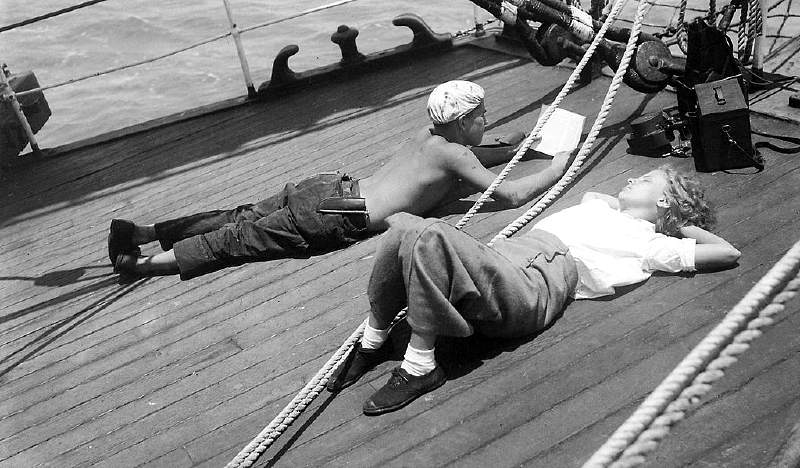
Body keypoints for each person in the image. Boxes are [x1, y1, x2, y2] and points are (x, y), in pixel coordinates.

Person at [326, 165, 741, 416]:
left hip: (536, 278)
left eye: (648, 179)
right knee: (402, 225)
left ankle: (420, 367)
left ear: (666, 202)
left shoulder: (650, 242)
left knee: (430, 234)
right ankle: (374, 340)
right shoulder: (602, 208)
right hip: (508, 260)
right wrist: (642, 200)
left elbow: (726, 252)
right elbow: (597, 196)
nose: (633, 176)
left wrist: (679, 218)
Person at [108, 80, 575, 280]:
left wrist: (521, 139)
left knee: (239, 218)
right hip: (337, 216)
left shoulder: (429, 138)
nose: (486, 120)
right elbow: (510, 193)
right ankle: (139, 265)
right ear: (461, 122)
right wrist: (558, 166)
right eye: (481, 115)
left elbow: (473, 152)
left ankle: (144, 232)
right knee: (235, 242)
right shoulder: (454, 156)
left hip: (327, 187)